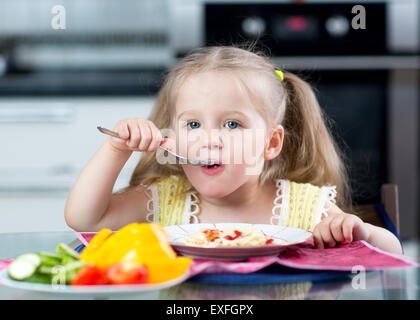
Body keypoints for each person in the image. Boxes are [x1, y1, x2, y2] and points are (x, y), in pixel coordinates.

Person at [64, 46, 402, 254]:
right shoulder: (163, 201)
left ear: (271, 143)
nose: (209, 140)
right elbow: (84, 219)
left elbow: (392, 252)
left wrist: (360, 231)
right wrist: (116, 149)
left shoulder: (303, 208)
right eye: (193, 125)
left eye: (231, 125)